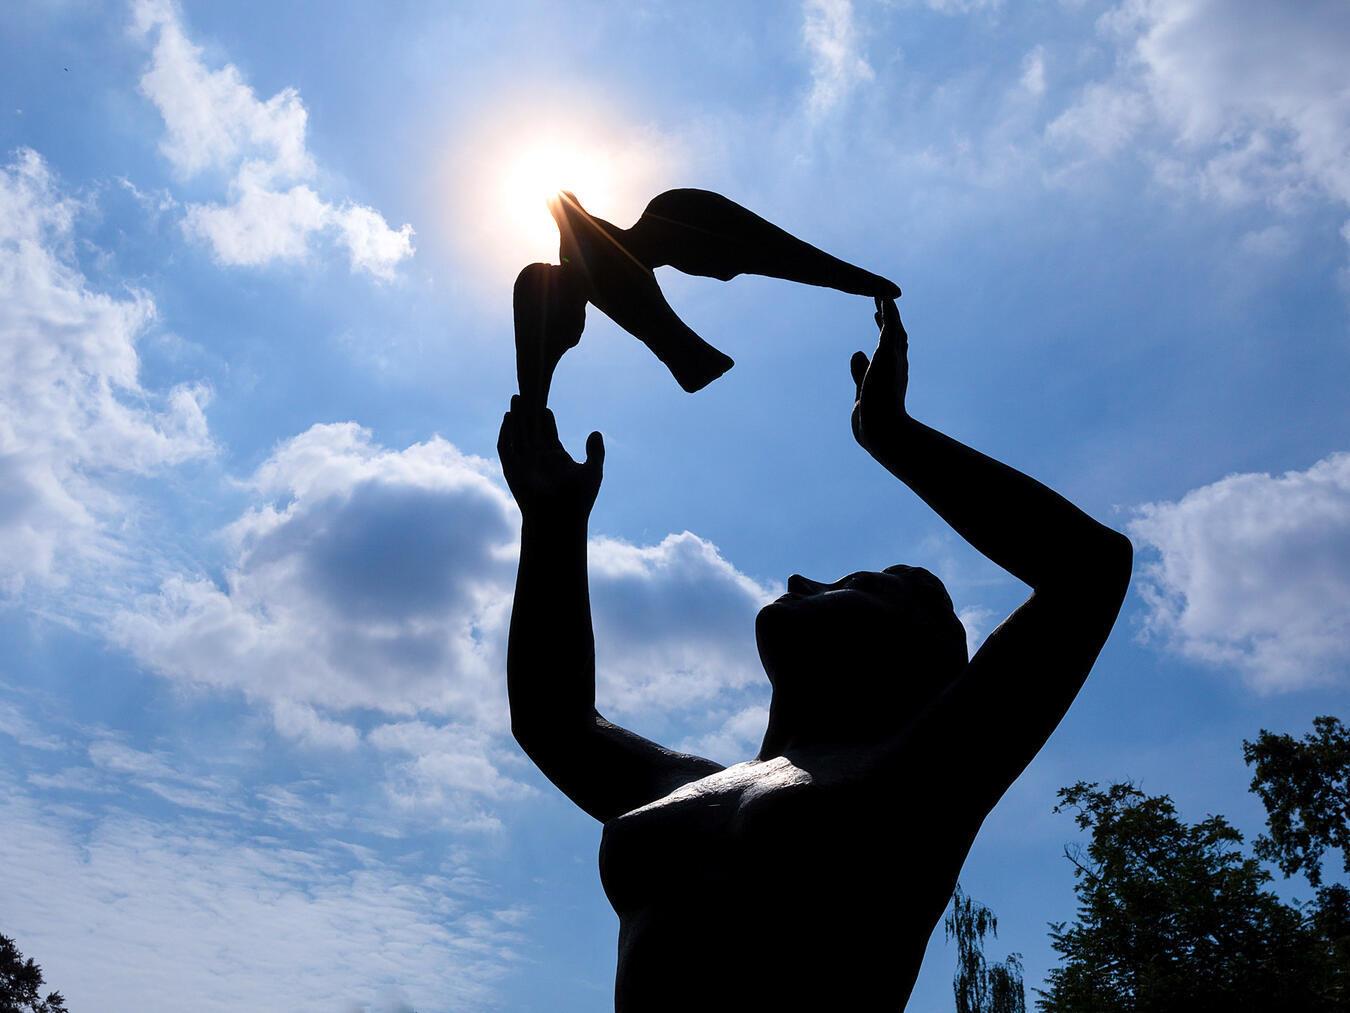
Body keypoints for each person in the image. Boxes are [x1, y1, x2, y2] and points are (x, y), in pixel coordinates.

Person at [497, 289, 1132, 1011]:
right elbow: (553, 718)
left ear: (911, 647)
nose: (802, 578)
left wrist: (889, 432)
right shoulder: (692, 779)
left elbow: (1090, 568)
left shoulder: (920, 774)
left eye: (854, 582)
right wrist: (552, 520)